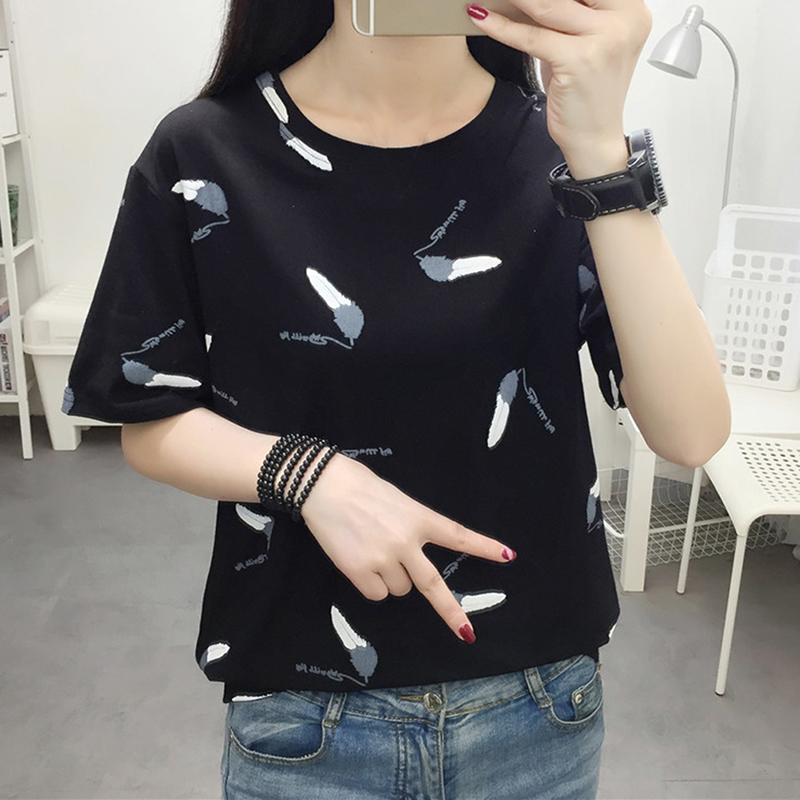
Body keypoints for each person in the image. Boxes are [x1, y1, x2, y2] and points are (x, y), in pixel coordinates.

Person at [63, 0, 731, 797]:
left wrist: (599, 151)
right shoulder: (204, 150)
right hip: (303, 717)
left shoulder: (561, 151)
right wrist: (308, 476)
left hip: (540, 705)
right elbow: (148, 413)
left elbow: (690, 432)